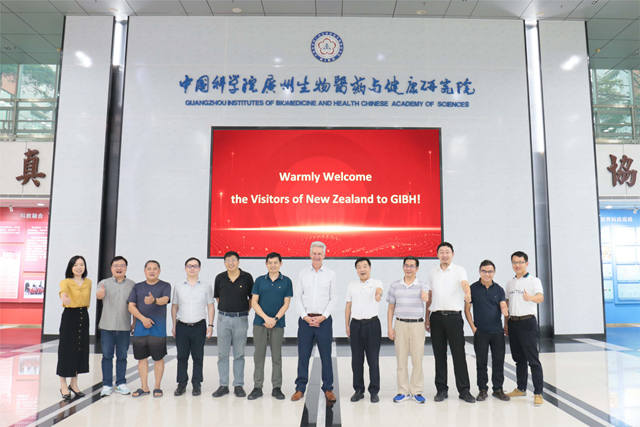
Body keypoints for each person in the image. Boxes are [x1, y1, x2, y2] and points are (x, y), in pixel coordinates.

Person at [425, 242, 475, 403]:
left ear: (453, 254)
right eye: (441, 252)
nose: (444, 255)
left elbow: (464, 283)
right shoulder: (432, 272)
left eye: (447, 252)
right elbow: (430, 296)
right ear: (437, 255)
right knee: (439, 355)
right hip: (436, 317)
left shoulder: (459, 270)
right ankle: (441, 389)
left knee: (458, 354)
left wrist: (467, 292)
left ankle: (464, 390)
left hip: (454, 318)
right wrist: (427, 317)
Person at [291, 242, 338, 403]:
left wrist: (323, 317)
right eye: (314, 253)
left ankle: (328, 388)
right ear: (310, 254)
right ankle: (300, 388)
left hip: (324, 321)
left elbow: (334, 297)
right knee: (303, 356)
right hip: (305, 321)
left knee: (326, 356)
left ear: (324, 255)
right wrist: (305, 316)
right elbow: (297, 296)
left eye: (319, 253)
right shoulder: (303, 273)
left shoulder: (330, 274)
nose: (317, 256)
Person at [248, 252, 293, 401]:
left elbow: (286, 304)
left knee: (276, 356)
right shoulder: (260, 280)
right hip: (260, 323)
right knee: (258, 356)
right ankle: (257, 387)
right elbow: (254, 302)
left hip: (278, 324)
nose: (273, 265)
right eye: (270, 262)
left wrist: (275, 319)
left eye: (275, 262)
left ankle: (276, 388)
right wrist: (266, 318)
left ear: (281, 263)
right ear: (266, 264)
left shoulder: (286, 281)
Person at [463, 260, 510, 402]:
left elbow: (503, 305)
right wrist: (473, 328)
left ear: (494, 272)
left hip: (497, 332)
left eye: (490, 271)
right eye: (484, 271)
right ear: (479, 272)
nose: (487, 274)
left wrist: (505, 312)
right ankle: (482, 389)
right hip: (481, 332)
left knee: (498, 361)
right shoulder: (473, 288)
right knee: (481, 362)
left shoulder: (499, 289)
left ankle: (498, 389)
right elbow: (467, 309)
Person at [387, 256, 429, 404]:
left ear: (417, 269)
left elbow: (426, 297)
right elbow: (391, 307)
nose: (409, 268)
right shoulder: (395, 285)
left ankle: (416, 391)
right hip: (400, 325)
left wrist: (425, 296)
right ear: (403, 267)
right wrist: (390, 327)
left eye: (412, 266)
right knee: (401, 360)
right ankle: (403, 391)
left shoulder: (422, 285)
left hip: (417, 325)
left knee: (417, 360)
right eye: (406, 265)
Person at [505, 251, 545, 406]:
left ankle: (538, 392)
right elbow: (507, 304)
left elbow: (540, 297)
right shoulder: (510, 282)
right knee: (519, 359)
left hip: (528, 323)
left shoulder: (534, 281)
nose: (517, 265)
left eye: (520, 262)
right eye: (514, 262)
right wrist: (506, 323)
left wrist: (530, 298)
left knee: (533, 360)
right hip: (513, 323)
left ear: (526, 263)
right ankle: (521, 388)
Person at [212, 251, 254, 398]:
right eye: (228, 260)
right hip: (223, 319)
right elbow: (217, 297)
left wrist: (243, 311)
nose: (231, 263)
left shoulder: (247, 277)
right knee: (222, 354)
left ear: (238, 261)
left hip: (240, 318)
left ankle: (238, 385)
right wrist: (227, 309)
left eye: (233, 260)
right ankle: (223, 385)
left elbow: (252, 298)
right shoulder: (220, 278)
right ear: (225, 263)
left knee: (239, 354)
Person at [127, 260, 171, 398]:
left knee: (158, 358)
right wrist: (142, 319)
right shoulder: (137, 287)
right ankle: (144, 387)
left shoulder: (165, 285)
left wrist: (154, 300)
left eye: (155, 269)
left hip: (158, 329)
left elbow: (165, 300)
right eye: (149, 269)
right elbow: (131, 306)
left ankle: (157, 386)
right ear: (145, 271)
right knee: (142, 359)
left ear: (159, 271)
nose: (152, 271)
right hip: (140, 328)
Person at [172, 257, 215, 397]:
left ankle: (196, 384)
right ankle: (181, 384)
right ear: (185, 268)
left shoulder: (206, 286)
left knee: (198, 356)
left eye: (195, 266)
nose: (192, 268)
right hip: (182, 325)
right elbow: (174, 306)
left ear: (199, 269)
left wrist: (210, 325)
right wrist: (174, 325)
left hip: (199, 325)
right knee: (181, 356)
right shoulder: (178, 286)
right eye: (189, 266)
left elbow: (210, 306)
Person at [97, 256, 136, 397]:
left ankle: (121, 383)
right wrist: (99, 294)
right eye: (116, 265)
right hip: (107, 327)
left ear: (126, 268)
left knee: (122, 357)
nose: (119, 268)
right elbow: (98, 295)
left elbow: (135, 305)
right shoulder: (104, 283)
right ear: (111, 268)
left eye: (122, 265)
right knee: (107, 356)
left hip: (124, 327)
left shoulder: (132, 285)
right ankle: (107, 384)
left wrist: (134, 323)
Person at [346, 257, 383, 403]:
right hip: (356, 325)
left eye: (365, 266)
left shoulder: (376, 283)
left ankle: (374, 391)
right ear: (356, 270)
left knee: (373, 359)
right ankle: (358, 390)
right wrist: (347, 325)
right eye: (359, 267)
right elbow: (348, 305)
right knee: (356, 360)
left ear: (370, 268)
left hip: (372, 325)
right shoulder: (352, 285)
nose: (362, 269)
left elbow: (379, 291)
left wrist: (378, 295)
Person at [57, 255, 91, 402]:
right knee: (66, 351)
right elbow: (63, 292)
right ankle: (63, 385)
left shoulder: (88, 282)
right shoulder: (66, 282)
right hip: (70, 316)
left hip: (83, 316)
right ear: (71, 267)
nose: (79, 267)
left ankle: (74, 384)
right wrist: (64, 298)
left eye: (81, 264)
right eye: (76, 265)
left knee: (79, 350)